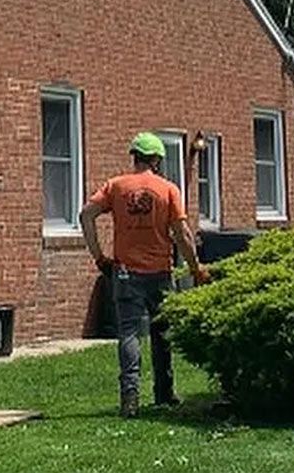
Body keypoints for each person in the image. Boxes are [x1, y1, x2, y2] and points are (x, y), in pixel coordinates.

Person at [80, 132, 210, 417]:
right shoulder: (168, 190)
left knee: (128, 334)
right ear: (157, 160)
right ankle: (164, 392)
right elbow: (182, 234)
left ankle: (130, 398)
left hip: (125, 273)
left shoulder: (115, 186)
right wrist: (195, 268)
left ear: (135, 157)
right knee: (162, 333)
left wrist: (99, 257)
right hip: (160, 274)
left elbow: (85, 215)